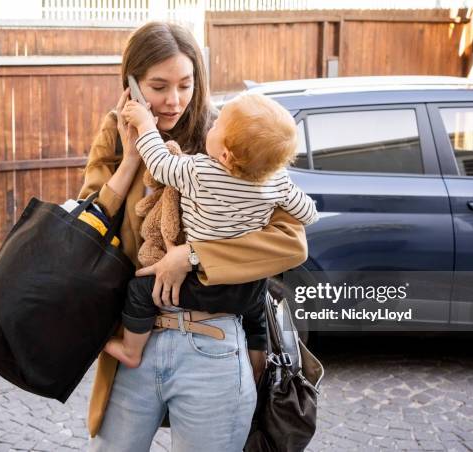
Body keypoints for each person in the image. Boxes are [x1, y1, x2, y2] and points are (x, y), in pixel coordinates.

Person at [79, 21, 308, 452]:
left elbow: (291, 241)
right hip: (135, 341)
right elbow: (87, 225)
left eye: (185, 84)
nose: (173, 100)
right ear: (130, 82)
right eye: (158, 86)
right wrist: (131, 159)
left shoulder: (229, 137)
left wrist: (193, 255)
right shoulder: (115, 132)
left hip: (213, 342)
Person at [103, 92, 318, 368]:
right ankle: (257, 367)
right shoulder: (278, 184)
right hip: (245, 286)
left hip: (201, 282)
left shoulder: (200, 172)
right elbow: (308, 214)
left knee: (139, 290)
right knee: (257, 316)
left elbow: (160, 163)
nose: (211, 125)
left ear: (226, 156)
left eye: (217, 126)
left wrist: (145, 124)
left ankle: (131, 352)